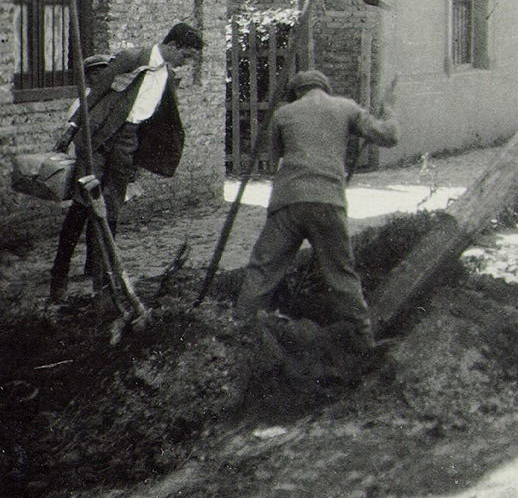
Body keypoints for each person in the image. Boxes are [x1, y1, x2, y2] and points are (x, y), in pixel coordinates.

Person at [236, 70, 399, 348]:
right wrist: (390, 110)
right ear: (326, 88)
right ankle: (364, 340)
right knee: (341, 273)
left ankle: (237, 333)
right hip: (327, 202)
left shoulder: (283, 114)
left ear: (296, 92)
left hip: (288, 203)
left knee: (261, 270)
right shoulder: (346, 107)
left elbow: (274, 162)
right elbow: (389, 136)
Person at [50, 24, 204, 300]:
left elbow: (156, 119)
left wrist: (139, 156)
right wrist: (70, 130)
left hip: (127, 142)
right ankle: (59, 273)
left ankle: (103, 276)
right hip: (99, 137)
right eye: (188, 54)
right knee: (85, 200)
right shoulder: (133, 58)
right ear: (174, 46)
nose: (188, 62)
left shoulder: (167, 75)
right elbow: (94, 93)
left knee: (112, 205)